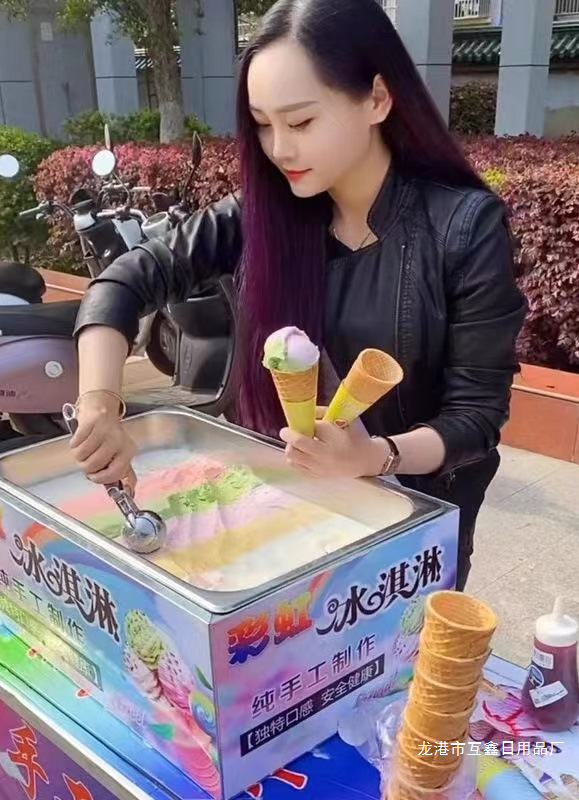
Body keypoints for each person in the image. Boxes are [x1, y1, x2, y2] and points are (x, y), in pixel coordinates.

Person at [69, 0, 527, 591]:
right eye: (263, 124)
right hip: (286, 514)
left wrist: (375, 455)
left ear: (377, 99)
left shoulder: (464, 227)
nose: (279, 149)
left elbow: (476, 417)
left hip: (408, 527)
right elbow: (125, 281)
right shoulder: (262, 214)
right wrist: (100, 403)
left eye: (301, 122)